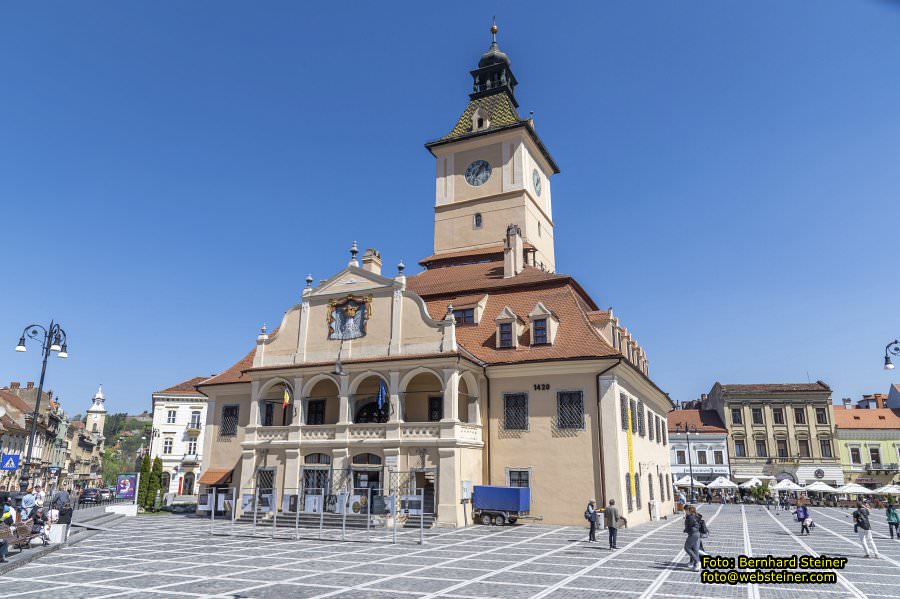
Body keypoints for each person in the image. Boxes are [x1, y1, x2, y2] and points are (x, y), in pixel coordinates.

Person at [683, 505, 701, 572]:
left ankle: (697, 562)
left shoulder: (690, 517)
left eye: (685, 511)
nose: (685, 512)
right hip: (697, 533)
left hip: (693, 534)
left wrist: (685, 530)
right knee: (695, 549)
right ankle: (696, 565)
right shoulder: (695, 515)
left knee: (687, 547)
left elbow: (689, 526)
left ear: (688, 510)